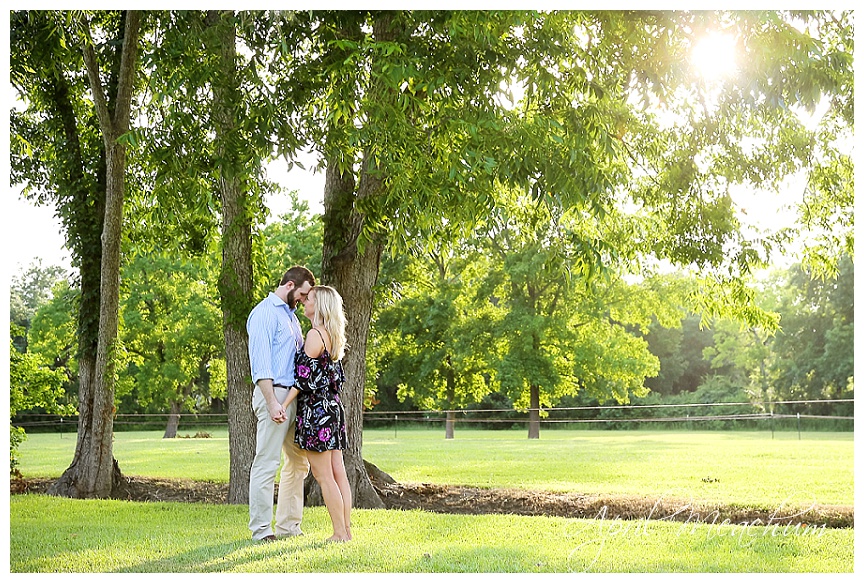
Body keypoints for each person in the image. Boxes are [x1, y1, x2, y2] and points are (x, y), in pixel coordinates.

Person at [246, 266, 315, 542]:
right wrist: (273, 402)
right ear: (289, 285)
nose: (304, 299)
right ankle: (261, 530)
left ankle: (289, 526)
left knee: (298, 464)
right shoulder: (264, 313)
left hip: (290, 399)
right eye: (303, 293)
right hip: (273, 396)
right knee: (266, 462)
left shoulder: (291, 318)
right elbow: (261, 364)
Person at [281, 285, 351, 541]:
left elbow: (301, 380)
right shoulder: (332, 336)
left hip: (316, 412)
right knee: (337, 472)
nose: (304, 302)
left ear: (318, 306)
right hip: (333, 408)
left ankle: (339, 533)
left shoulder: (314, 335)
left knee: (323, 476)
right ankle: (346, 530)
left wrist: (283, 403)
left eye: (308, 299)